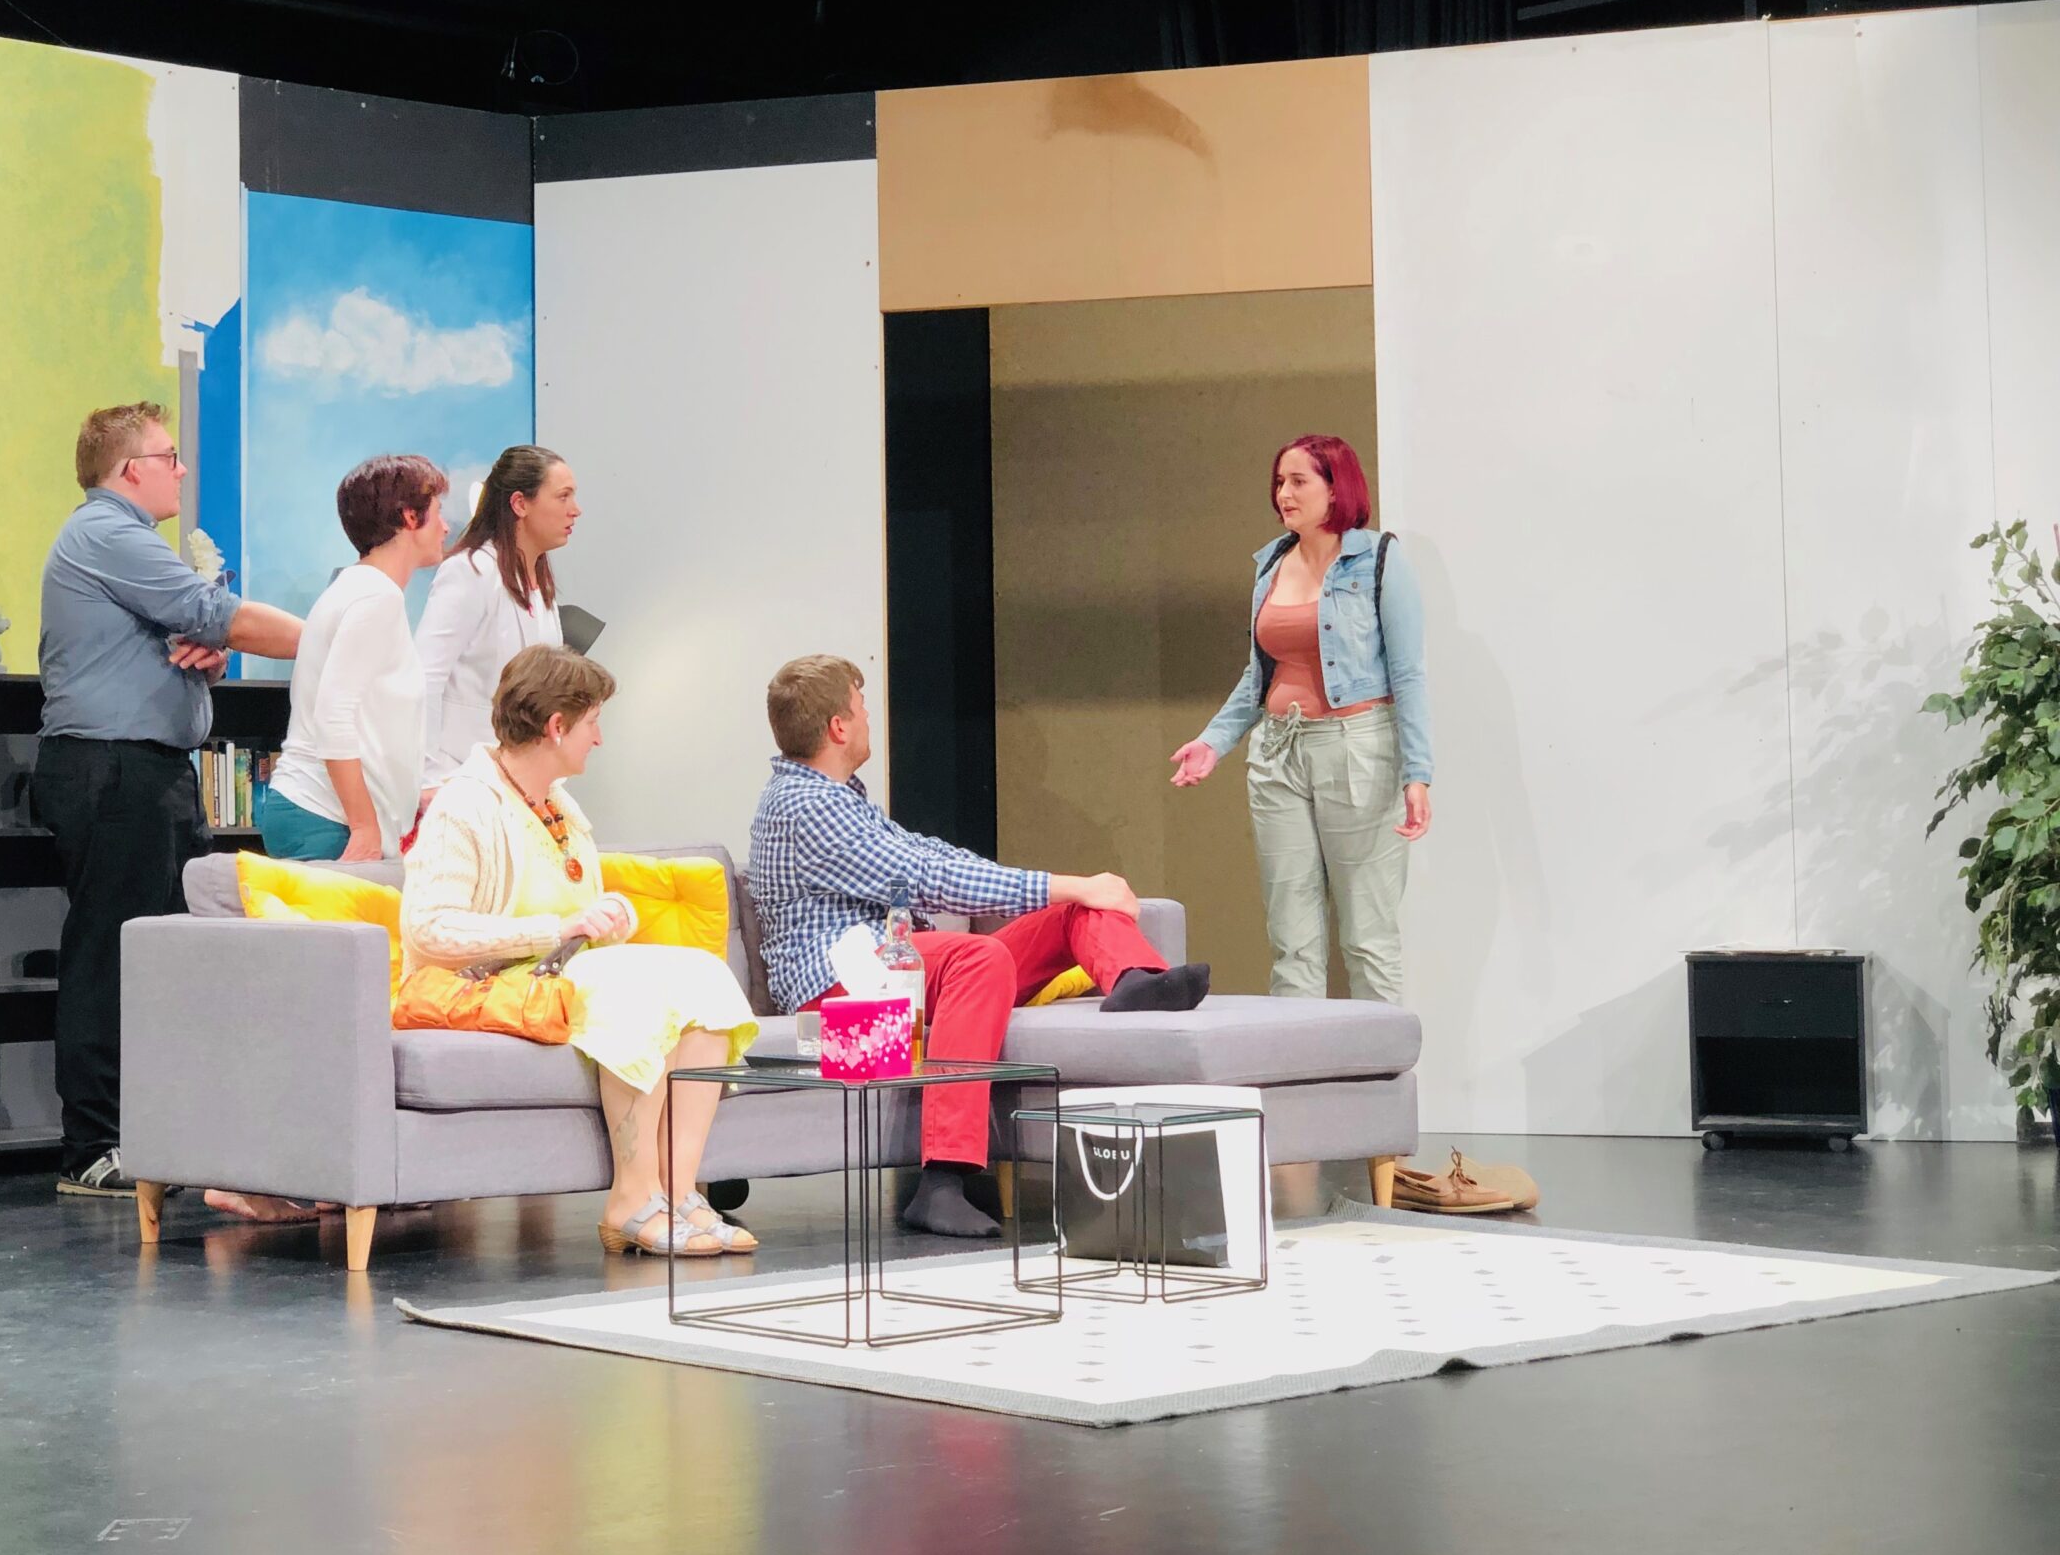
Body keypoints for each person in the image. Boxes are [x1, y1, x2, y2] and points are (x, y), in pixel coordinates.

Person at [748, 655, 1213, 1240]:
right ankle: (942, 1178)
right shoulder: (806, 806)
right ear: (839, 726)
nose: (868, 718)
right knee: (979, 955)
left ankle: (1133, 980)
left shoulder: (840, 796)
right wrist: (1064, 882)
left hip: (893, 974)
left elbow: (934, 854)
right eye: (862, 707)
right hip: (841, 996)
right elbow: (922, 876)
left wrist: (1069, 889)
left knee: (1070, 912)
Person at [400, 644, 757, 1257]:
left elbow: (575, 916)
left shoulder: (559, 804)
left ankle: (675, 1191)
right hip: (484, 987)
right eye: (592, 722)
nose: (599, 738)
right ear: (556, 726)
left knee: (703, 975)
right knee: (630, 991)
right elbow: (430, 930)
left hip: (554, 974)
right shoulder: (465, 805)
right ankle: (631, 1199)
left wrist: (606, 918)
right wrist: (555, 929)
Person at [34, 402, 304, 1199]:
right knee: (111, 954)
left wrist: (206, 653)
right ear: (130, 471)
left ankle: (156, 1135)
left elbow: (198, 631)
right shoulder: (108, 534)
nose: (181, 469)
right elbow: (217, 613)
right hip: (113, 771)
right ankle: (91, 1146)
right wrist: (334, 635)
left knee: (165, 959)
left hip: (148, 771)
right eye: (169, 456)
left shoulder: (125, 544)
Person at [1168, 433, 1432, 1005]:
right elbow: (1258, 675)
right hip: (1276, 755)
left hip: (1357, 751)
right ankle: (1300, 1061)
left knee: (1367, 939)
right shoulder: (1271, 564)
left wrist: (1418, 773)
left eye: (1298, 481)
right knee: (1293, 943)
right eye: (1279, 482)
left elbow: (1408, 674)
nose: (1283, 494)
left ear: (1336, 488)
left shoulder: (1377, 559)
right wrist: (1213, 741)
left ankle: (1378, 1061)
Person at [261, 455, 447, 864]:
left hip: (319, 812)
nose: (446, 527)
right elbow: (333, 716)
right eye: (438, 511)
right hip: (327, 818)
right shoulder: (376, 596)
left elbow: (369, 720)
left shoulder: (358, 589)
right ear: (410, 517)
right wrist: (365, 825)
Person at [414, 444, 578, 791]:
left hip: (521, 783)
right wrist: (428, 779)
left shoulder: (540, 585)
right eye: (563, 497)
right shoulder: (471, 571)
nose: (575, 510)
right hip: (463, 778)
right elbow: (425, 677)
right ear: (520, 504)